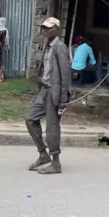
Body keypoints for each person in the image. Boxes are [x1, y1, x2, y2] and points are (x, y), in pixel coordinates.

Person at [25, 17, 71, 175]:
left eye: (48, 28)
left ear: (56, 29)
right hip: (44, 90)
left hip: (54, 92)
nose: (45, 30)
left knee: (52, 126)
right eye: (44, 28)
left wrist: (63, 99)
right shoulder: (47, 46)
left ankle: (56, 163)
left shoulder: (60, 47)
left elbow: (65, 75)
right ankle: (43, 154)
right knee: (31, 119)